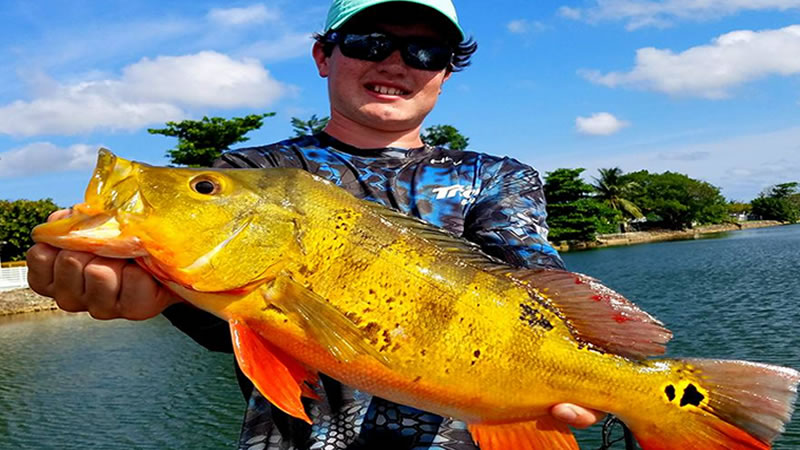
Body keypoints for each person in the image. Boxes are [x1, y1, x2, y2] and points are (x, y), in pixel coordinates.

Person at [27, 0, 605, 448]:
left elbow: (536, 288)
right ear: (324, 56)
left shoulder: (499, 177)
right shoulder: (253, 174)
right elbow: (226, 327)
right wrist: (154, 292)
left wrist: (600, 375)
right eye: (368, 41)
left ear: (446, 75)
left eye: (425, 53)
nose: (395, 63)